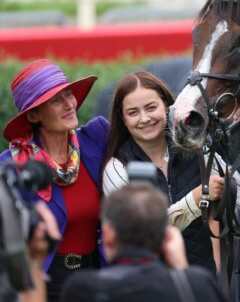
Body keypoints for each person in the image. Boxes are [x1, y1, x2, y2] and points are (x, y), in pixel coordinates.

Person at [0, 59, 109, 301]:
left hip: (99, 278)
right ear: (33, 116)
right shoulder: (11, 167)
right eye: (55, 100)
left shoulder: (97, 138)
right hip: (45, 285)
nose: (69, 104)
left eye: (68, 94)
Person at [102, 70, 224, 273]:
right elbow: (137, 236)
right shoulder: (116, 168)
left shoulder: (197, 148)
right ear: (122, 118)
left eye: (151, 108)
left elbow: (234, 198)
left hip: (202, 278)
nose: (144, 118)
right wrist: (195, 200)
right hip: (149, 283)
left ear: (167, 106)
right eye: (133, 112)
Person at [60, 182, 226, 302]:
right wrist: (182, 273)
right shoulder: (198, 284)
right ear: (167, 236)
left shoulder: (83, 289)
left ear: (108, 235)